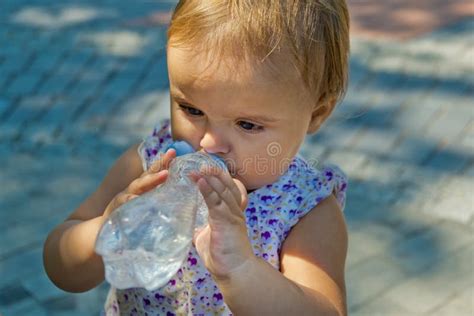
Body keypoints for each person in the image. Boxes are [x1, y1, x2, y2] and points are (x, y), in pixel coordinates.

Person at [43, 0, 350, 314]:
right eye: (192, 110)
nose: (209, 142)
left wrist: (240, 268)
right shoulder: (151, 163)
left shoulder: (305, 209)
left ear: (316, 114)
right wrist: (107, 229)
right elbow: (61, 269)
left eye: (247, 124)